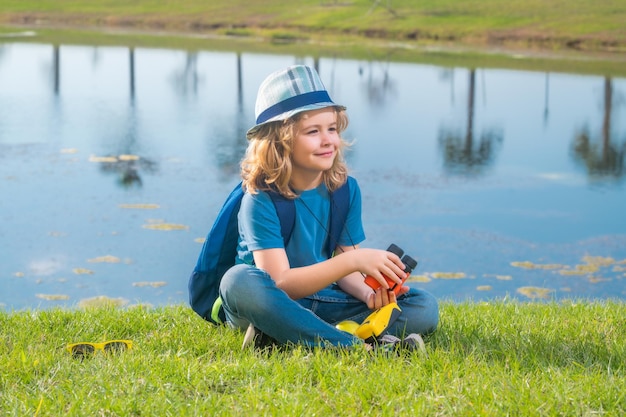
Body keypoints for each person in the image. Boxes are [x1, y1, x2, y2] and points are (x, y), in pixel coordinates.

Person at [219, 64, 438, 351]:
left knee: (423, 306)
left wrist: (367, 293)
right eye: (313, 131)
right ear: (280, 143)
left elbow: (347, 270)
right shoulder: (260, 199)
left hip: (321, 300)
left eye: (332, 128)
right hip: (266, 300)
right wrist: (352, 262)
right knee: (237, 281)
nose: (328, 140)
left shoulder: (345, 190)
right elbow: (281, 283)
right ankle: (355, 346)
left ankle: (284, 334)